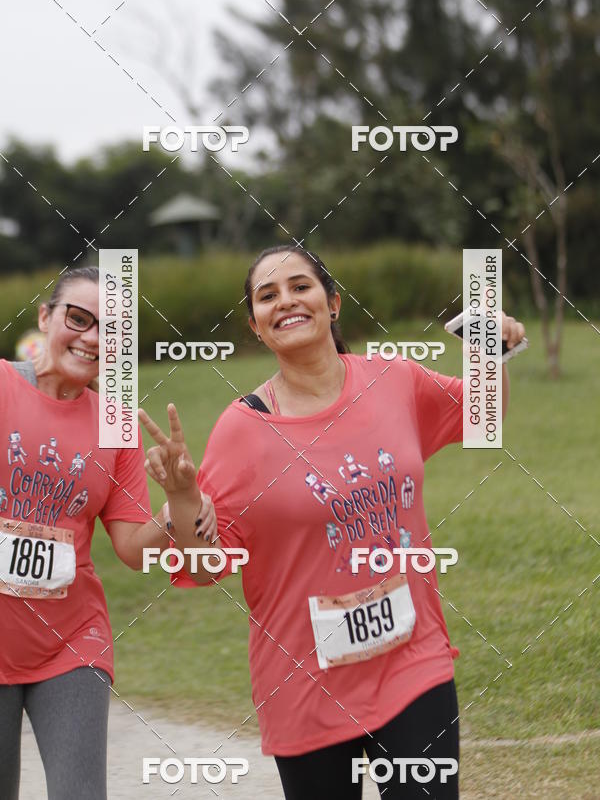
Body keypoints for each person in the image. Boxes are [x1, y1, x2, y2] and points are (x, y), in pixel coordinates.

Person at [139, 245, 526, 800]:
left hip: (412, 662)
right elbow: (203, 570)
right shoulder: (243, 430)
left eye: (301, 286)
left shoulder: (393, 379)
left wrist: (492, 350)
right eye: (267, 296)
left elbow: (482, 416)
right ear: (256, 326)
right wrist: (181, 496)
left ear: (333, 302)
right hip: (304, 686)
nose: (287, 301)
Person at [0, 267, 177, 800]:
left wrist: (179, 505)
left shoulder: (115, 425)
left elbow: (131, 548)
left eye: (114, 330)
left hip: (72, 642)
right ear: (45, 318)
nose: (94, 337)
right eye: (79, 319)